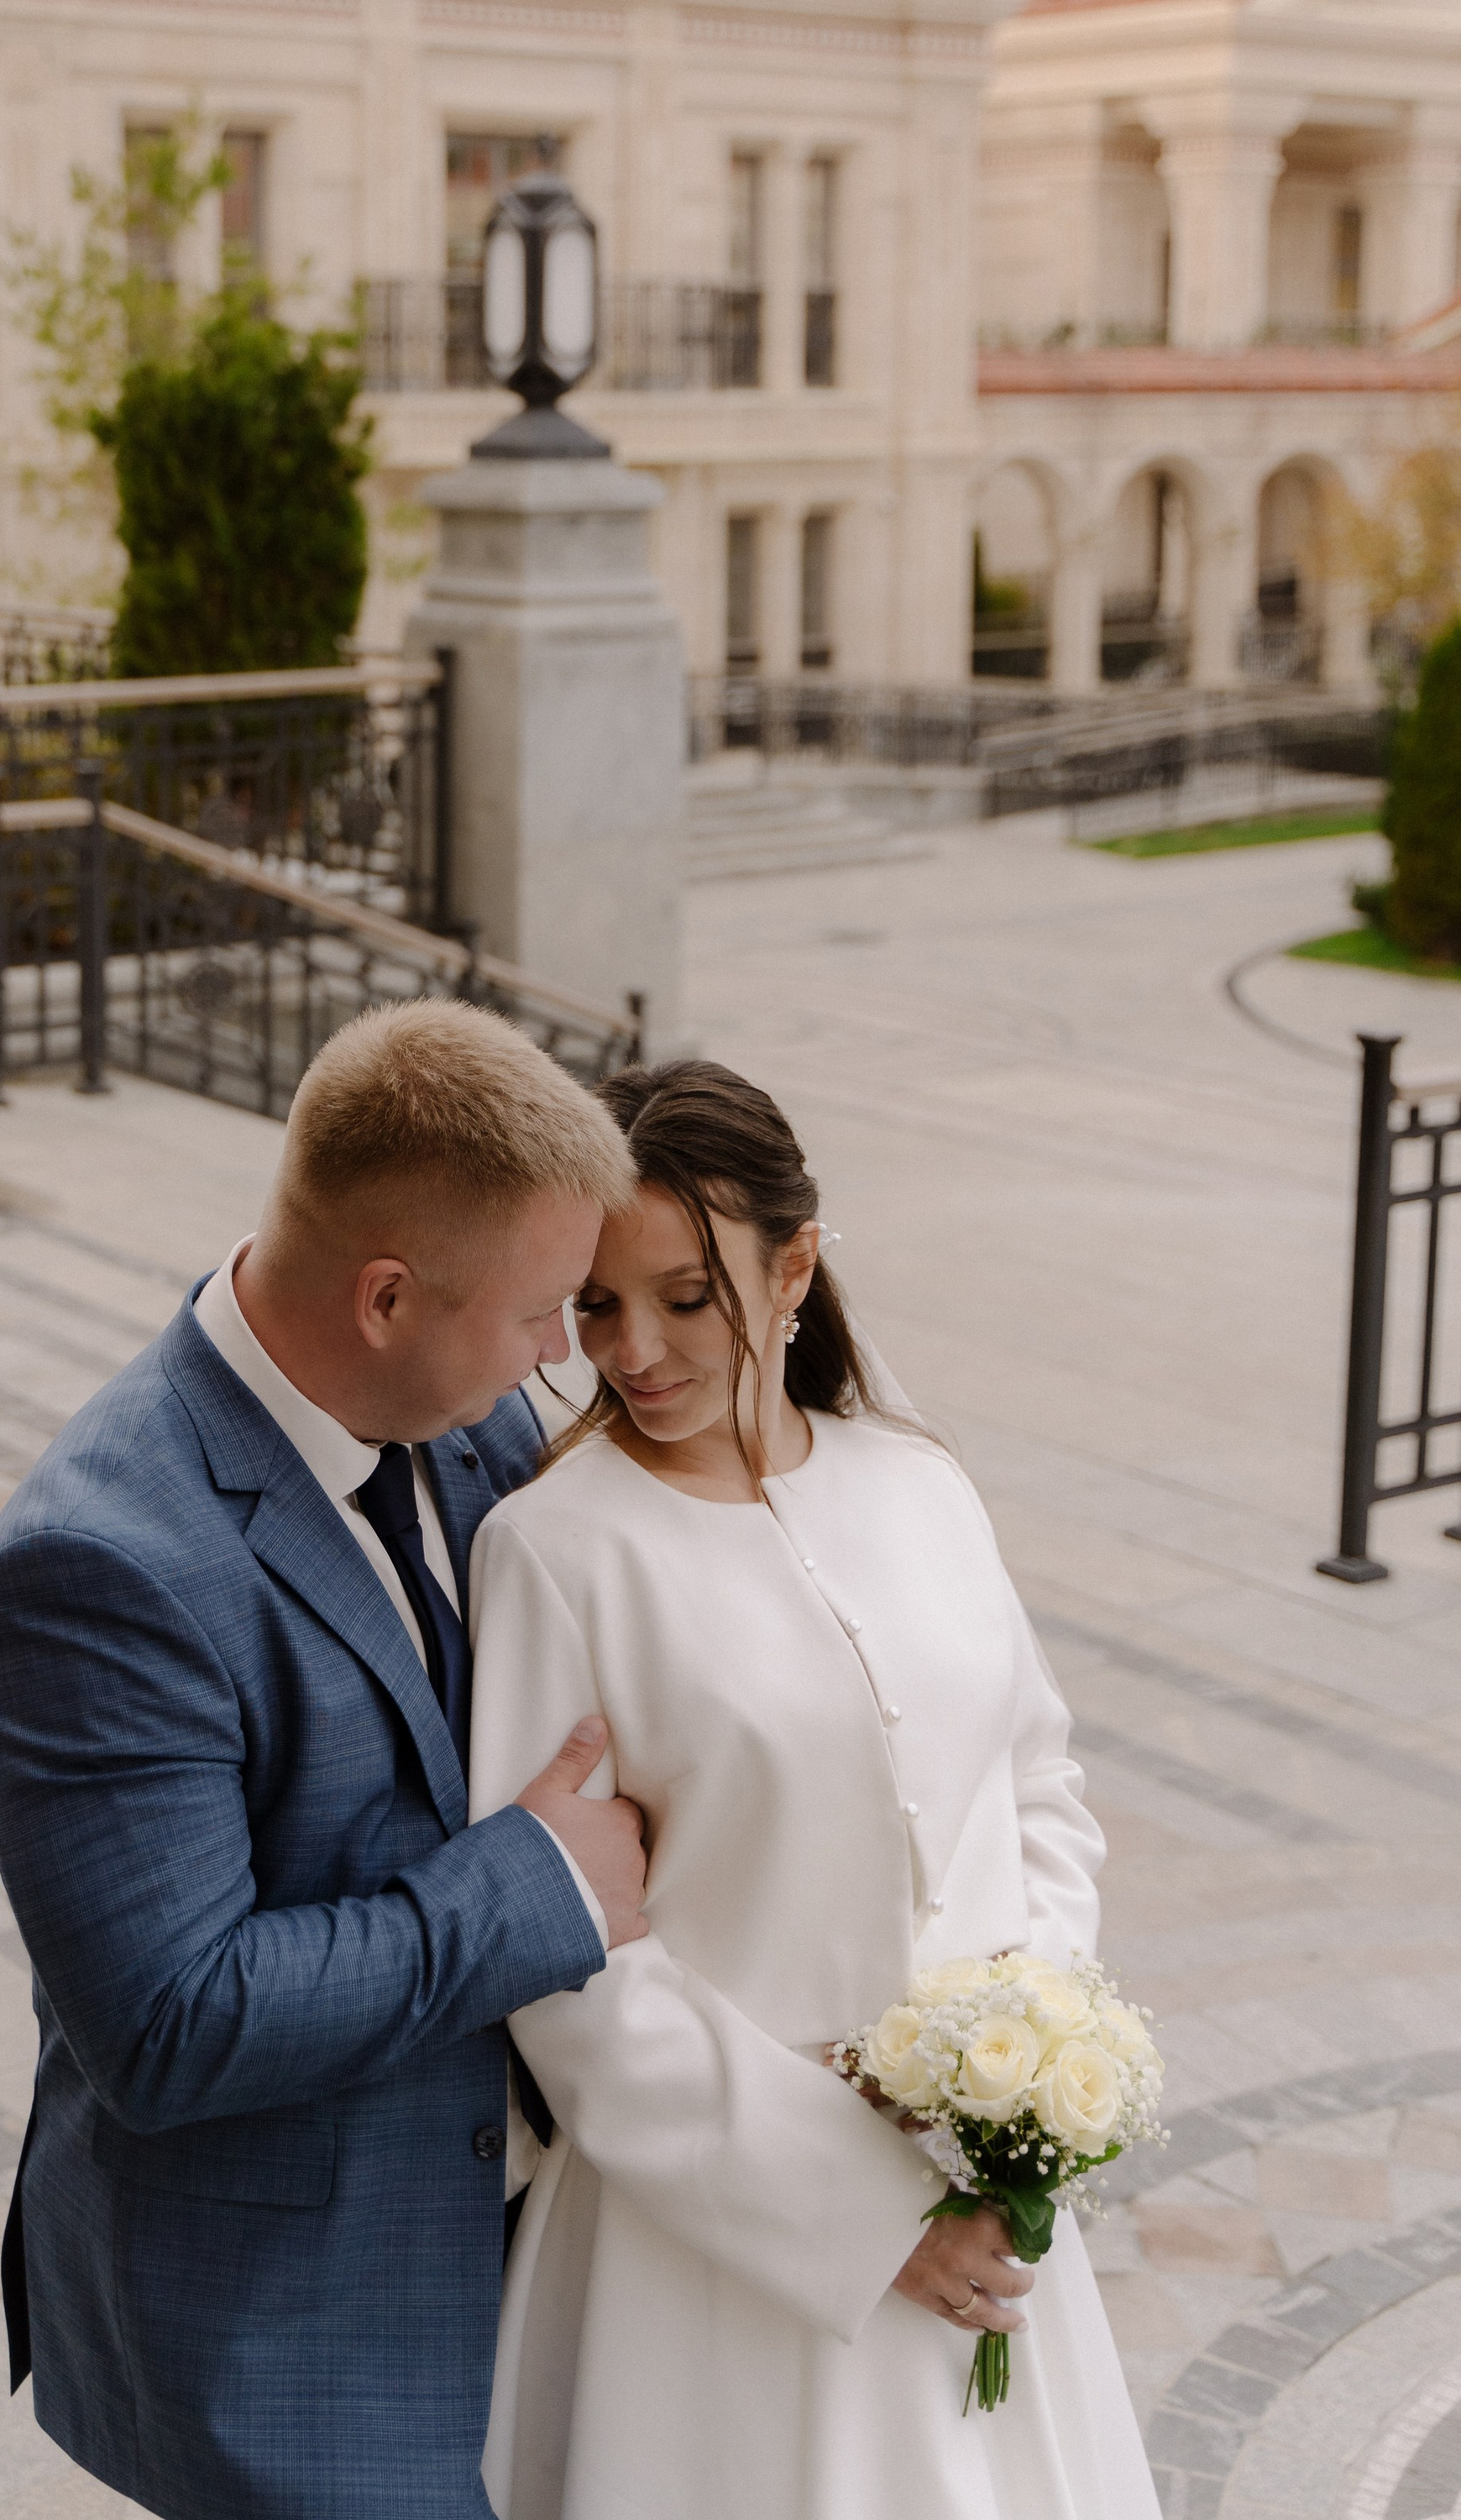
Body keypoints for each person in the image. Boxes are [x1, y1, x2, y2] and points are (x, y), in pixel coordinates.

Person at [0, 999, 652, 2520]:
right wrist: (532, 1884)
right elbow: (171, 2023)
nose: (562, 1361)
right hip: (283, 2331)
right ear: (388, 1297)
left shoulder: (464, 1423)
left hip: (525, 2253)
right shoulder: (101, 1567)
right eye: (542, 1313)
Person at [469, 1059, 1162, 2520]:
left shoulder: (920, 1485)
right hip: (713, 2273)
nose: (634, 1351)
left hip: (991, 2226)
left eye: (686, 1295)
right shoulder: (553, 1551)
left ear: (795, 1268)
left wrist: (1029, 2065)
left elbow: (1037, 1783)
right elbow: (567, 1968)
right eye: (596, 1304)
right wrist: (868, 2219)